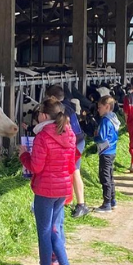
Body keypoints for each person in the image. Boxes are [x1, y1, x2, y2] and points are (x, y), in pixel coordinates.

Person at [18, 98, 80, 265]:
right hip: (63, 187)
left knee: (44, 232)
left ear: (44, 115)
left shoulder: (42, 137)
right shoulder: (69, 133)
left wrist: (23, 155)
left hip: (45, 188)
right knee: (54, 229)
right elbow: (72, 162)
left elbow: (36, 166)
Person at [44, 85, 90, 218]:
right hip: (77, 140)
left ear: (52, 97)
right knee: (71, 171)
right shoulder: (69, 106)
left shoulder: (60, 110)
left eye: (48, 98)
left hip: (74, 143)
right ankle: (66, 201)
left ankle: (81, 204)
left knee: (74, 172)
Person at [94, 96, 120, 213]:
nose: (98, 110)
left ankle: (107, 203)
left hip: (105, 151)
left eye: (100, 107)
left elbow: (102, 137)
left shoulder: (105, 120)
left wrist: (95, 135)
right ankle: (113, 200)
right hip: (112, 150)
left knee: (104, 177)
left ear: (107, 107)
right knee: (110, 176)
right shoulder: (113, 117)